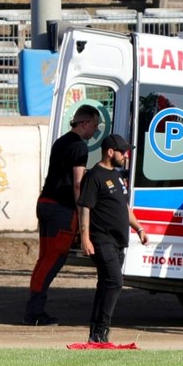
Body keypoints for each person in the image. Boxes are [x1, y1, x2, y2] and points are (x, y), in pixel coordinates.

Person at [23, 104, 100, 326]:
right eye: (94, 125)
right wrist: (82, 212)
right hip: (61, 210)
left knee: (44, 259)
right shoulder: (79, 147)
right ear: (84, 123)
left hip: (45, 203)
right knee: (53, 260)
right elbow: (78, 184)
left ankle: (34, 309)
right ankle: (34, 312)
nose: (95, 130)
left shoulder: (61, 142)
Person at [78, 134, 148, 343]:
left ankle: (96, 335)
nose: (126, 155)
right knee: (115, 282)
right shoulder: (94, 176)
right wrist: (85, 238)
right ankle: (102, 330)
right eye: (122, 152)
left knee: (105, 285)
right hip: (101, 239)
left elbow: (124, 208)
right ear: (110, 152)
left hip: (118, 242)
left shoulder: (117, 176)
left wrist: (139, 228)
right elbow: (85, 208)